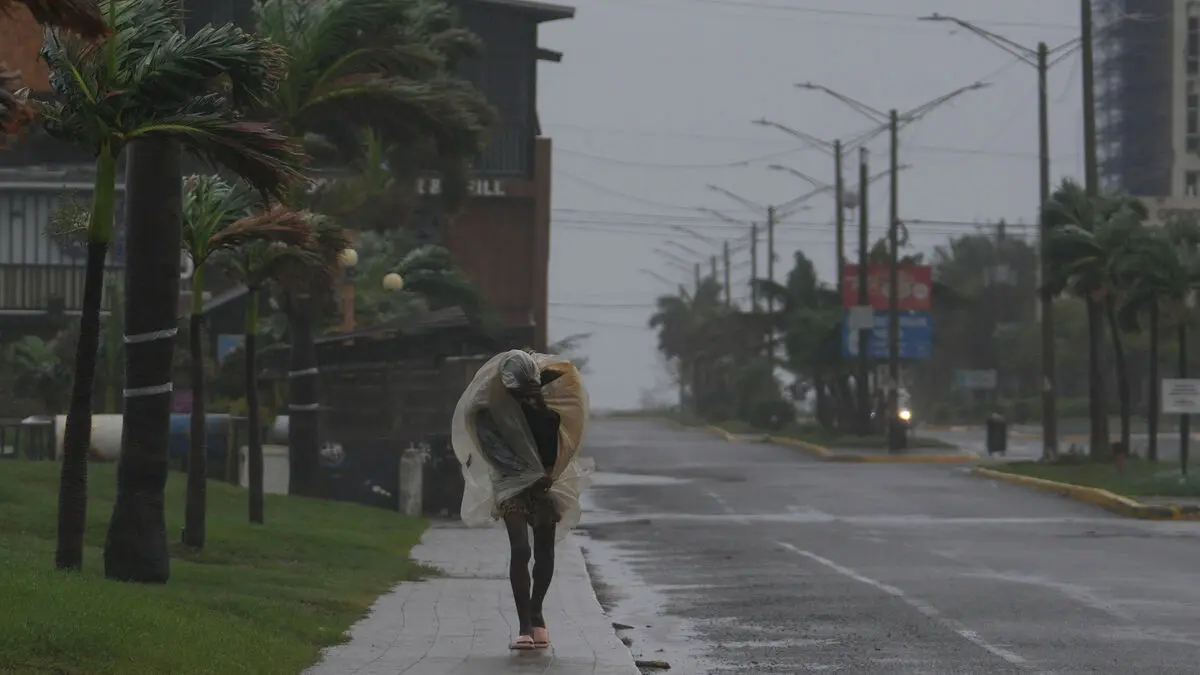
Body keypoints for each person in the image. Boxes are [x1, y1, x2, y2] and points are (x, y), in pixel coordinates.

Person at [450, 349, 592, 652]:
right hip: (510, 484)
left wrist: (539, 409)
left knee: (544, 550)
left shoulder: (545, 410)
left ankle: (537, 610)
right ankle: (524, 625)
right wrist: (529, 476)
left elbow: (553, 448)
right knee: (521, 548)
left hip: (544, 482)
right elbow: (495, 453)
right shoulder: (485, 412)